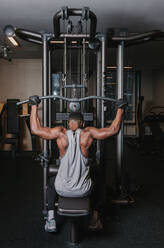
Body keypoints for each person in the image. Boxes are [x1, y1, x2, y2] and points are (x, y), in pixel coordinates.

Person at [29, 95, 126, 232]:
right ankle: (94, 218)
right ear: (82, 124)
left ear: (68, 123)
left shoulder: (60, 133)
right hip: (83, 190)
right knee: (99, 181)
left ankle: (51, 219)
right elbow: (113, 130)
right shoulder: (88, 133)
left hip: (61, 189)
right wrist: (120, 109)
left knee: (51, 182)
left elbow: (35, 129)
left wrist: (34, 106)